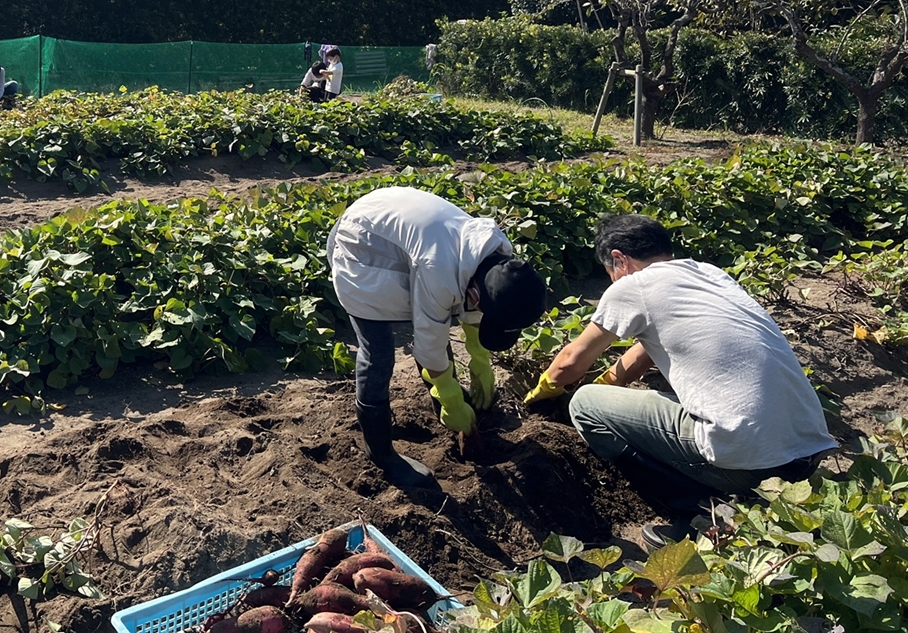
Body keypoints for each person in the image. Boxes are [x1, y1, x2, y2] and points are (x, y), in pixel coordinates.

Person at [524, 214, 835, 533]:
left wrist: (543, 391)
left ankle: (698, 511)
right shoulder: (709, 275)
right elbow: (644, 353)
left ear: (619, 259)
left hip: (754, 464)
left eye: (609, 273)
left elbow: (569, 362)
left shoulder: (635, 285)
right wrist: (610, 382)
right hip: (805, 457)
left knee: (584, 404)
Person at [329, 187, 548, 490]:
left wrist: (480, 359)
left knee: (437, 317)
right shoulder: (438, 270)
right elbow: (430, 337)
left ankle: (445, 407)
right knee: (379, 354)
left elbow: (472, 304)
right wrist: (450, 396)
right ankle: (380, 453)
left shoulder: (500, 258)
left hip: (395, 232)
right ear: (474, 293)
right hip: (360, 247)